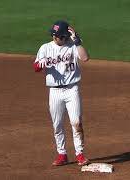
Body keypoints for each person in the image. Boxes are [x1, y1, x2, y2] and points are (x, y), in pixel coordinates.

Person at [33, 20, 90, 166]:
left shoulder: (72, 47)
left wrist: (77, 42)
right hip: (55, 92)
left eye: (57, 35)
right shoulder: (45, 48)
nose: (54, 37)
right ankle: (62, 154)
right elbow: (36, 67)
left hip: (72, 90)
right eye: (53, 34)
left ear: (65, 36)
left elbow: (85, 58)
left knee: (76, 122)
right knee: (57, 124)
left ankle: (80, 154)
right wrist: (40, 64)